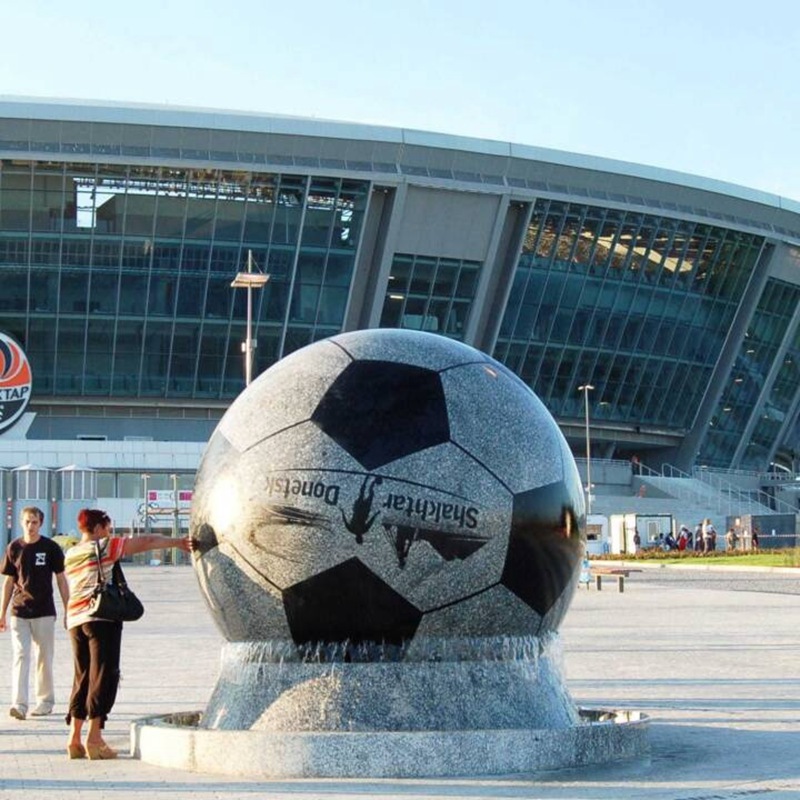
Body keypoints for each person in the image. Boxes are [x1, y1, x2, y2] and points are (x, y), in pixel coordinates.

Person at [64, 508, 194, 760]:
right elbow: (146, 542)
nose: (110, 532)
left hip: (75, 620)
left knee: (82, 677)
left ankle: (74, 738)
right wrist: (177, 542)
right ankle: (95, 738)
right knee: (103, 675)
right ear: (100, 528)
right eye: (108, 528)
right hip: (101, 618)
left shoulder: (70, 554)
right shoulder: (102, 547)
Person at [0, 506, 69, 721]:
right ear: (21, 523)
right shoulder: (14, 548)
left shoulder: (50, 548)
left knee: (44, 657)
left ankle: (45, 702)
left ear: (41, 523)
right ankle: (19, 705)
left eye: (35, 522)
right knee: (21, 655)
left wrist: (69, 610)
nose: (31, 526)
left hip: (45, 612)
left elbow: (61, 579)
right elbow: (9, 582)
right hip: (19, 611)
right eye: (27, 522)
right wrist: (2, 613)